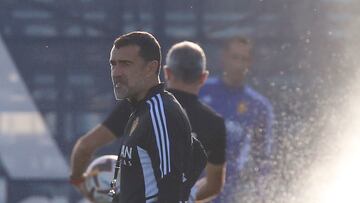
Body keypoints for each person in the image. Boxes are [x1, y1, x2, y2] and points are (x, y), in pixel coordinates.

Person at [70, 35, 224, 202]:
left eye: (125, 64)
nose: (116, 72)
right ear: (203, 77)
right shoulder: (214, 123)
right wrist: (190, 194)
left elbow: (85, 147)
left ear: (166, 72)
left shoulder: (154, 110)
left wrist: (79, 181)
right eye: (114, 64)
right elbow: (213, 185)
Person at [200, 36, 275, 202]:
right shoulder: (201, 91)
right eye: (234, 57)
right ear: (224, 57)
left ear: (250, 63)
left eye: (244, 59)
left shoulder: (259, 106)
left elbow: (262, 157)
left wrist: (262, 195)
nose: (238, 65)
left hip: (230, 192)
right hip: (194, 187)